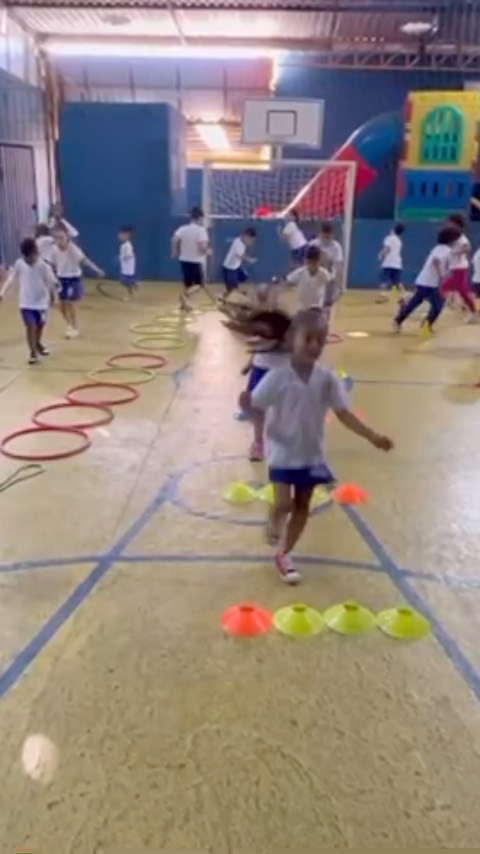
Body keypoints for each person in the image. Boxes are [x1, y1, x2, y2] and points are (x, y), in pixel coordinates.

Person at [239, 309, 394, 584]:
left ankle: (284, 554)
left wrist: (372, 436)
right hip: (282, 451)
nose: (314, 346)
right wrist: (248, 407)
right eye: (308, 339)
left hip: (311, 455)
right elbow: (257, 407)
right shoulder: (277, 376)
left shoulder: (327, 378)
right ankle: (274, 518)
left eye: (320, 341)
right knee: (283, 503)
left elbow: (344, 413)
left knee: (302, 505)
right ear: (291, 339)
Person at [393, 224, 460, 334]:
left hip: (426, 281)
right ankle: (423, 323)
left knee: (418, 302)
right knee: (435, 304)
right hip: (430, 283)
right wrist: (441, 276)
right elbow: (436, 261)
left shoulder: (440, 248)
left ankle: (402, 320)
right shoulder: (444, 250)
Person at [0, 237, 57, 364]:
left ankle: (37, 342)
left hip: (41, 303)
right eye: (28, 257)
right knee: (30, 326)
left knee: (40, 326)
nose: (31, 260)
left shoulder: (43, 266)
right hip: (26, 303)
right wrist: (2, 293)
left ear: (36, 253)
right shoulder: (19, 264)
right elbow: (11, 279)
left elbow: (50, 281)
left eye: (33, 256)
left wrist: (53, 295)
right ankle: (33, 353)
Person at [51, 228, 104, 339]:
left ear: (67, 238)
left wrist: (96, 269)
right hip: (61, 279)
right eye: (56, 238)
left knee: (69, 302)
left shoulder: (73, 249)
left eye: (61, 238)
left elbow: (84, 260)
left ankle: (74, 327)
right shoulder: (54, 250)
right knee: (61, 305)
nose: (59, 241)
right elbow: (51, 265)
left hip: (73, 278)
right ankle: (69, 325)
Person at [440, 213, 478, 322]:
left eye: (450, 222)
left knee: (457, 290)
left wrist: (456, 252)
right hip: (456, 267)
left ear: (456, 224)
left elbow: (467, 247)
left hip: (459, 268)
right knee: (449, 288)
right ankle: (470, 311)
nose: (447, 224)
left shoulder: (461, 236)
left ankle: (473, 312)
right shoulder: (455, 236)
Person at [171, 206, 209, 311]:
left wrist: (174, 251)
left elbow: (174, 239)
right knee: (199, 285)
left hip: (184, 260)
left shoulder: (183, 229)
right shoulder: (201, 230)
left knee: (187, 284)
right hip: (196, 261)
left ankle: (185, 304)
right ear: (200, 218)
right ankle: (185, 295)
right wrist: (207, 251)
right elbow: (202, 246)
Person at [286, 244, 331, 312]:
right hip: (302, 309)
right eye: (309, 262)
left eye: (314, 262)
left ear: (319, 262)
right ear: (306, 261)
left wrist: (327, 303)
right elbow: (287, 281)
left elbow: (331, 285)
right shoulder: (300, 273)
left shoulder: (323, 274)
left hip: (317, 309)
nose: (312, 265)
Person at [220, 227, 257, 300]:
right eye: (250, 239)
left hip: (234, 268)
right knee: (232, 290)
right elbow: (240, 256)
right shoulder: (237, 243)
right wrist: (250, 260)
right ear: (246, 236)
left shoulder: (242, 243)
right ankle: (227, 297)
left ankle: (231, 294)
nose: (251, 242)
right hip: (229, 269)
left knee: (243, 278)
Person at [376, 223, 405, 304]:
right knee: (397, 282)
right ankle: (402, 296)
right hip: (397, 264)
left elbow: (387, 248)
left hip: (388, 263)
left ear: (394, 230)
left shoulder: (389, 238)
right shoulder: (399, 241)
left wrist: (381, 254)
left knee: (384, 280)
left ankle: (383, 296)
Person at [118, 225, 136, 300]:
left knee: (126, 282)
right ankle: (133, 285)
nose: (120, 237)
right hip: (125, 267)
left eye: (122, 235)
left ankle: (129, 295)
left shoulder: (128, 245)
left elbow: (128, 255)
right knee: (125, 281)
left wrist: (123, 257)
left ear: (127, 236)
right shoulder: (123, 245)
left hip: (128, 268)